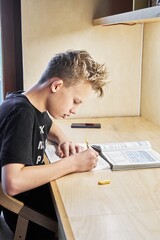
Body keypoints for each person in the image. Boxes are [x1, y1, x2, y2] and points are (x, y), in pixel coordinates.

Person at [0, 50, 107, 239]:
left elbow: (50, 127)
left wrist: (63, 139)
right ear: (57, 85)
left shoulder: (30, 104)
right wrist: (73, 163)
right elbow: (13, 182)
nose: (74, 110)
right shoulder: (21, 115)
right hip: (26, 217)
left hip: (32, 203)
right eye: (75, 101)